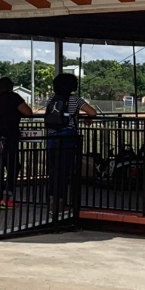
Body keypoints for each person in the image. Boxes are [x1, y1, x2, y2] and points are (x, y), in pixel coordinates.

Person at [44, 73, 96, 214]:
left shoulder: (52, 99)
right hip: (67, 136)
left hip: (51, 136)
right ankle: (60, 205)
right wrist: (87, 118)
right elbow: (92, 112)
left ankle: (51, 202)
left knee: (53, 171)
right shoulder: (75, 100)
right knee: (64, 171)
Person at [0, 77, 33, 208]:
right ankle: (6, 197)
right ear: (11, 86)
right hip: (7, 137)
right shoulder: (14, 98)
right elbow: (28, 112)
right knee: (13, 165)